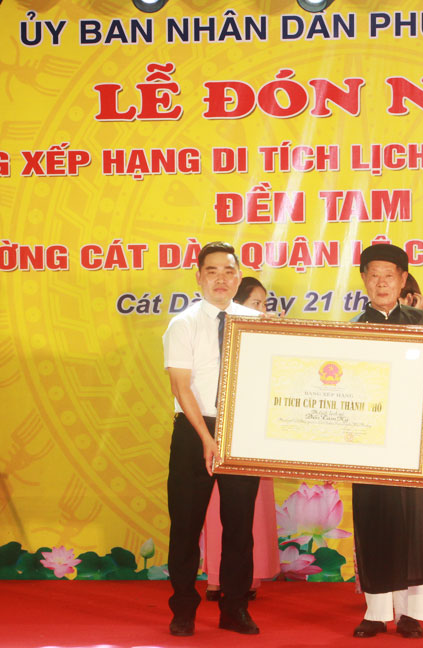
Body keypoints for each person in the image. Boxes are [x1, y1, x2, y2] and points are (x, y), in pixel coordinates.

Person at [350, 243, 423, 640]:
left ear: (403, 279)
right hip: (368, 444)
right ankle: (376, 612)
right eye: (374, 275)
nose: (381, 283)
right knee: (373, 521)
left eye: (389, 276)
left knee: (416, 526)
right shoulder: (351, 331)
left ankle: (412, 613)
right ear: (364, 279)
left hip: (414, 444)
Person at [162, 242, 262, 637]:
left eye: (228, 271)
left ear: (238, 277)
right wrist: (206, 437)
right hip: (193, 430)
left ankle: (235, 608)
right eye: (212, 271)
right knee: (185, 525)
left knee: (239, 527)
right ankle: (183, 608)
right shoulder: (183, 324)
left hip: (241, 432)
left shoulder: (255, 322)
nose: (221, 279)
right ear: (199, 277)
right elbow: (181, 387)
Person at [203, 276, 280, 601]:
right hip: (221, 430)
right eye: (255, 304)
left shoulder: (269, 338)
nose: (261, 310)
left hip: (256, 433)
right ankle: (215, 578)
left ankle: (250, 578)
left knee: (253, 507)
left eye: (264, 304)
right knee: (217, 505)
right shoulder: (215, 337)